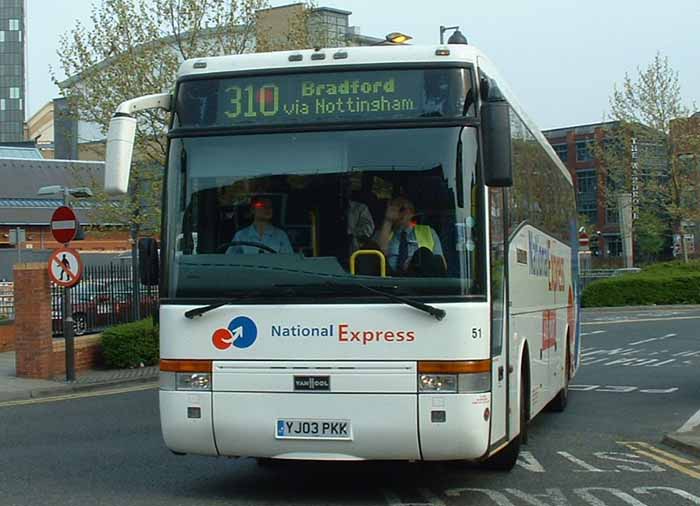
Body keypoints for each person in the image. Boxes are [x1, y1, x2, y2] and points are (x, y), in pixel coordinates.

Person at [373, 196, 446, 276]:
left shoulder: (428, 232)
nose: (398, 212)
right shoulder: (382, 233)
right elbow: (376, 259)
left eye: (402, 209)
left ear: (412, 212)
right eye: (394, 209)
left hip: (419, 280)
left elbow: (441, 265)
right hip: (389, 281)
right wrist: (388, 220)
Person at [227, 196, 293, 254]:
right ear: (252, 210)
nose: (267, 208)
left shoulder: (281, 235)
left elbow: (289, 261)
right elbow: (230, 261)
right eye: (262, 205)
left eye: (270, 206)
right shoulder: (241, 235)